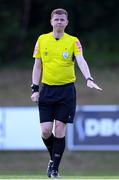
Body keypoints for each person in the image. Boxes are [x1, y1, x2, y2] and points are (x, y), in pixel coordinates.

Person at [31, 8, 102, 178]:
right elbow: (37, 66)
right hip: (47, 90)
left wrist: (89, 78)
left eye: (62, 20)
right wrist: (34, 88)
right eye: (56, 19)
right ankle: (52, 161)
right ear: (51, 21)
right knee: (46, 131)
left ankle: (54, 169)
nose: (59, 22)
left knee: (60, 128)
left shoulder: (73, 41)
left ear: (67, 23)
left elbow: (81, 60)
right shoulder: (42, 39)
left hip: (66, 91)